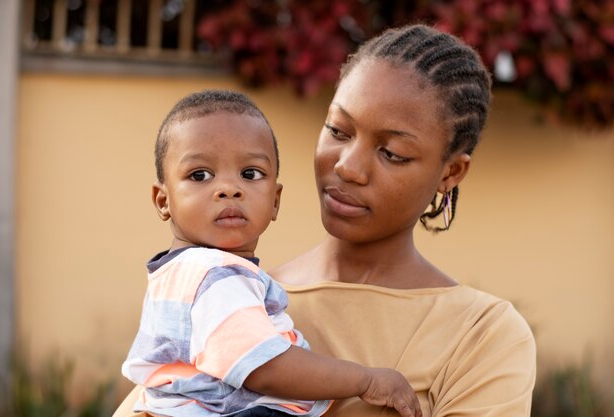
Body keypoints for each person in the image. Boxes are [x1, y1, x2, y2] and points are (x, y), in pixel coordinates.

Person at [115, 23, 536, 417]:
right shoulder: (230, 296)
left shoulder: (481, 336)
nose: (348, 167)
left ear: (450, 173)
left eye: (392, 153)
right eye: (338, 131)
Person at [120, 89, 421, 417]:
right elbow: (265, 367)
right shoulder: (213, 274)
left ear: (275, 200)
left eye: (250, 174)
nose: (229, 189)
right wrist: (365, 380)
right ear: (163, 200)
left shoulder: (181, 273)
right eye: (200, 175)